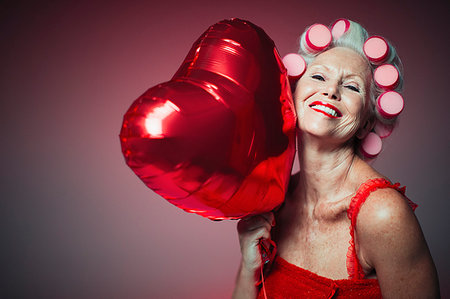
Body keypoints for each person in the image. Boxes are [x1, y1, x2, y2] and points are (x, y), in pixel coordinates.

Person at [232, 19, 440, 298]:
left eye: (352, 87)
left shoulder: (382, 214)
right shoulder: (274, 200)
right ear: (291, 96)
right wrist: (249, 267)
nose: (331, 91)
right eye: (318, 77)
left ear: (367, 122)